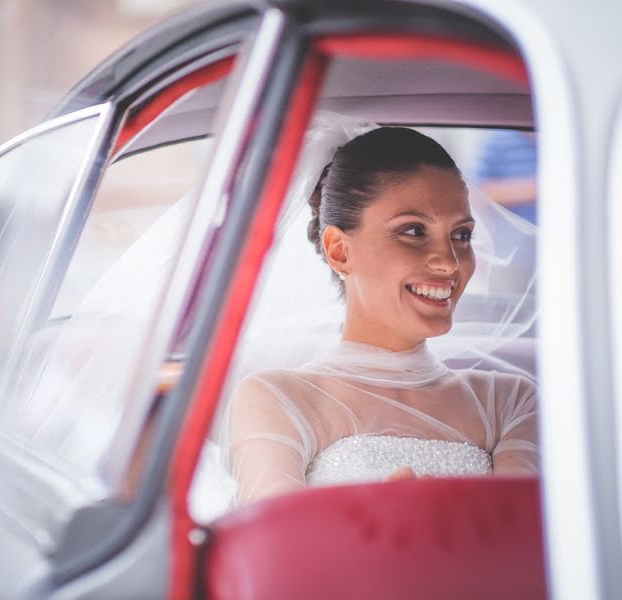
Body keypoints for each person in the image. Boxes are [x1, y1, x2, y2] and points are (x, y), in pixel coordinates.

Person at [222, 127, 538, 507]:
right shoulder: (276, 398)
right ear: (339, 251)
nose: (449, 262)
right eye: (413, 231)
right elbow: (273, 549)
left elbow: (526, 540)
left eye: (462, 235)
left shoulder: (510, 401)